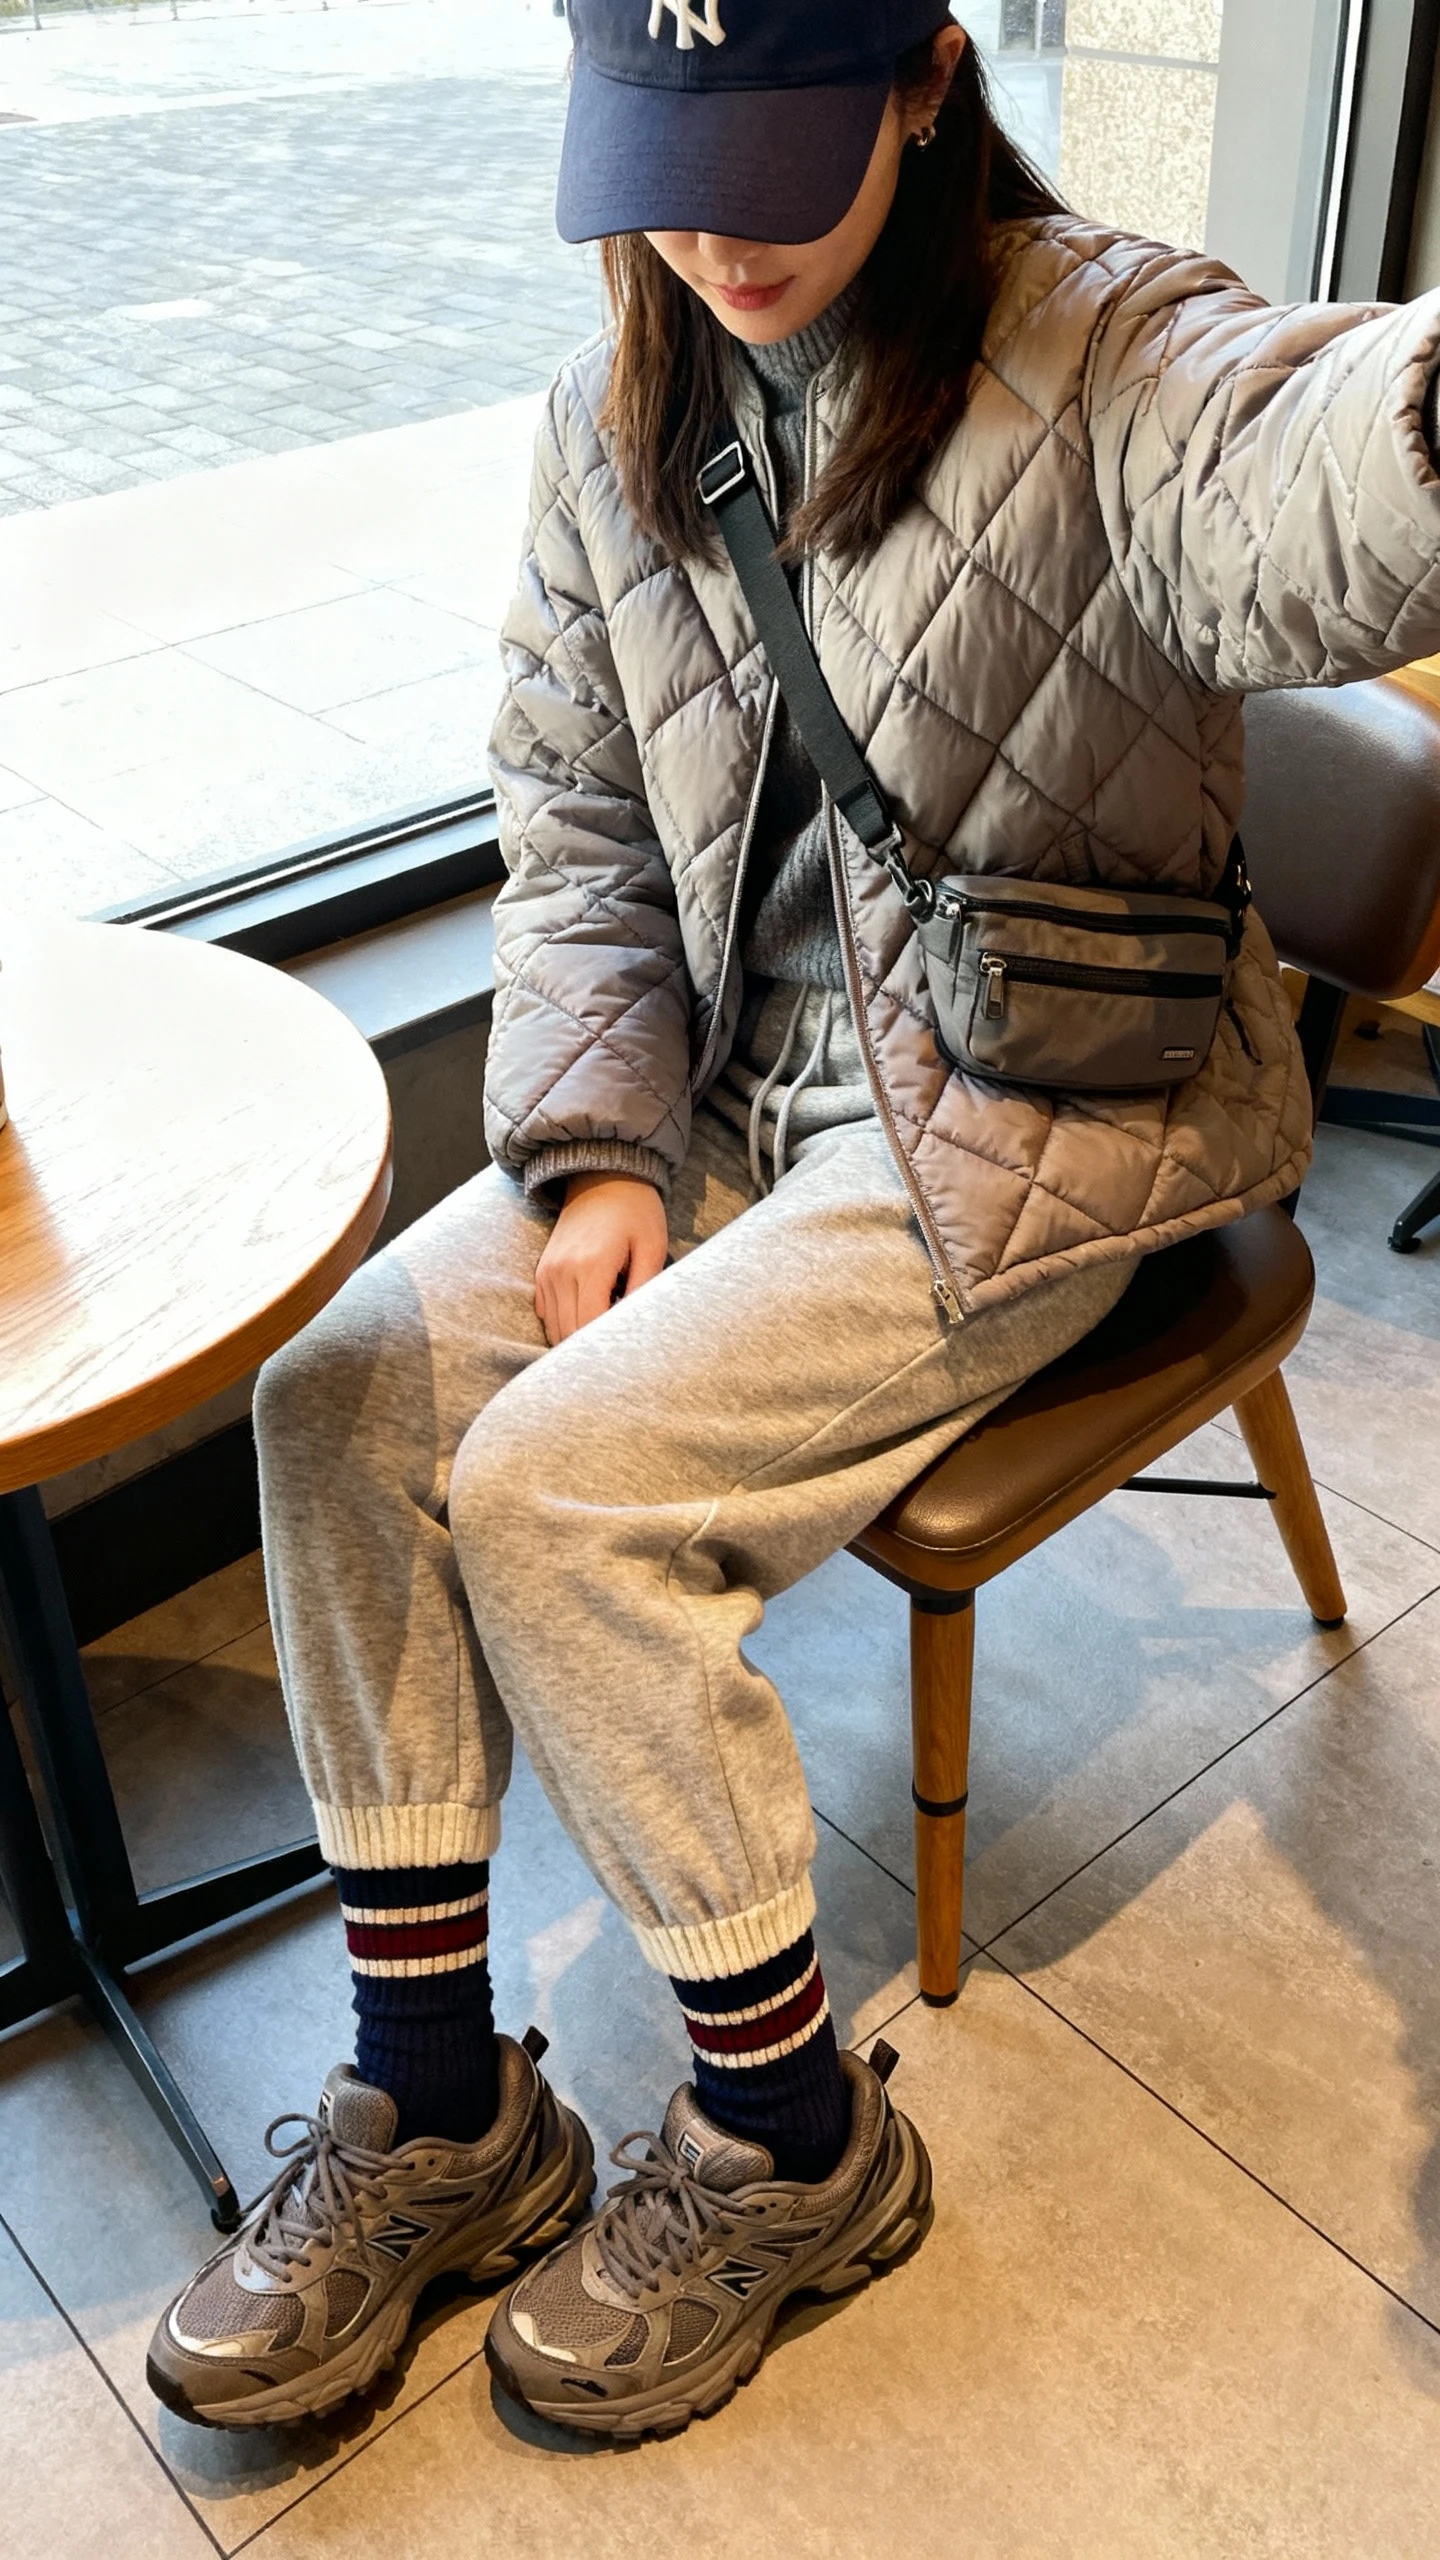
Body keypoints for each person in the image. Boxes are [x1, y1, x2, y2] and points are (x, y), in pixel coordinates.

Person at [149, 0, 1440, 2442]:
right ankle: (440, 2098)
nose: (718, 226)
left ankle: (792, 2142)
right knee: (337, 1395)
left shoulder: (1109, 349)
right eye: (664, 156)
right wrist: (606, 1147)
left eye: (777, 152)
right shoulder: (603, 417)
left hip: (1051, 1105)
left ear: (929, 81)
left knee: (563, 1494)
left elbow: (1306, 474)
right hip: (738, 1092)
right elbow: (577, 826)